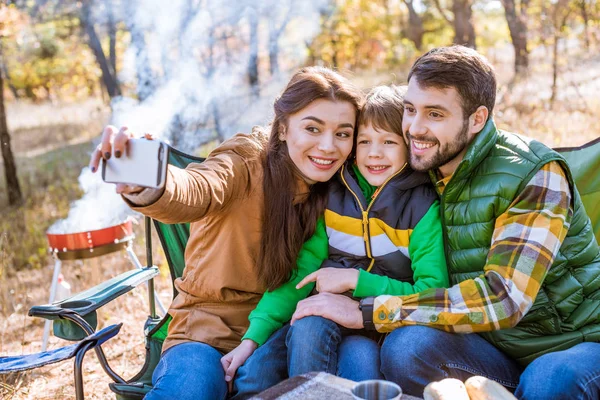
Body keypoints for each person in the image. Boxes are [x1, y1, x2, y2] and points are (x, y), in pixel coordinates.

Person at [289, 46, 600, 399]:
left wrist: (367, 311)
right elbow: (317, 137)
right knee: (407, 347)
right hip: (491, 349)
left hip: (575, 343)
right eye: (410, 110)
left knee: (550, 379)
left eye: (434, 114)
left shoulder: (534, 175)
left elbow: (504, 298)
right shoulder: (418, 164)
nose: (415, 129)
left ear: (477, 119)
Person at [88, 66, 364, 400]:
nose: (328, 146)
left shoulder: (347, 188)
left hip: (282, 336)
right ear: (283, 128)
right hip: (208, 332)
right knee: (190, 390)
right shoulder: (247, 161)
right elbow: (198, 188)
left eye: (342, 133)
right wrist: (149, 181)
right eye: (312, 128)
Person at [221, 85, 448, 382]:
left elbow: (433, 293)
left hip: (386, 321)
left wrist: (356, 281)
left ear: (408, 145)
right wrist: (252, 337)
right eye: (364, 141)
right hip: (323, 317)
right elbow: (300, 276)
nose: (374, 154)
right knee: (258, 370)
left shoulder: (421, 207)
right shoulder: (333, 196)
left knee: (355, 357)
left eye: (389, 142)